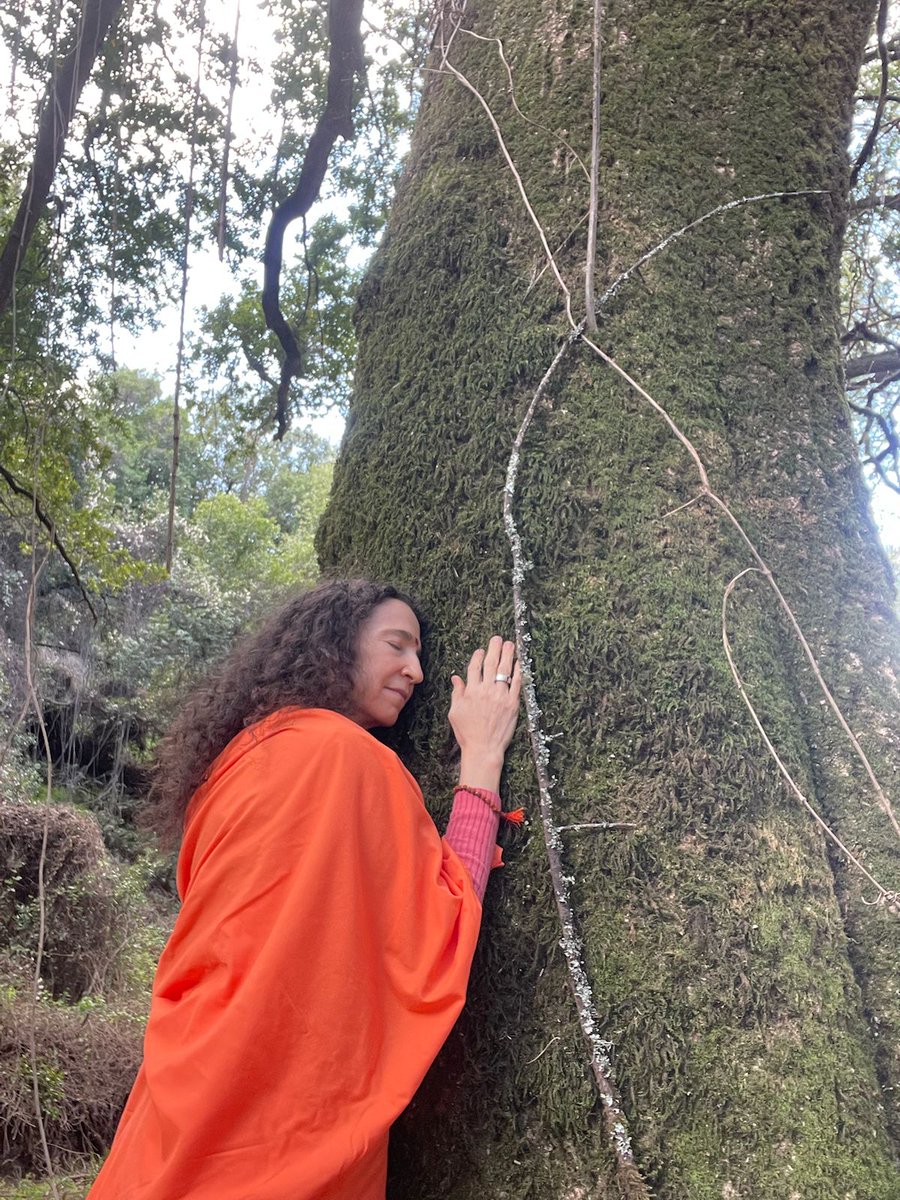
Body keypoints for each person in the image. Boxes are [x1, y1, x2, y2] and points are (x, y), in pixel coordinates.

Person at [87, 578, 522, 1200]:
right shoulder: (341, 755)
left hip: (192, 1066)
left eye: (421, 654)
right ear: (334, 646)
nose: (417, 670)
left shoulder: (237, 759)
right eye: (397, 646)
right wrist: (482, 757)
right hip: (279, 1099)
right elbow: (442, 915)